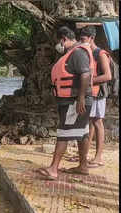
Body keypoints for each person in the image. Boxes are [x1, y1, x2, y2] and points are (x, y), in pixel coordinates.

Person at [37, 26, 98, 180]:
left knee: (63, 133)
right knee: (83, 133)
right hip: (74, 100)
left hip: (74, 101)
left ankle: (53, 169)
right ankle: (83, 166)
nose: (58, 46)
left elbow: (85, 75)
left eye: (58, 42)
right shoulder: (74, 52)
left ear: (63, 39)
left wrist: (81, 98)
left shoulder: (77, 53)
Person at [79, 25, 112, 168]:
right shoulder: (87, 53)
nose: (81, 42)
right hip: (90, 92)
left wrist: (89, 81)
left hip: (98, 94)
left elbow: (107, 75)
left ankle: (98, 157)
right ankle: (85, 154)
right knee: (90, 121)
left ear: (91, 38)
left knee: (97, 122)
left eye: (83, 39)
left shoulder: (100, 53)